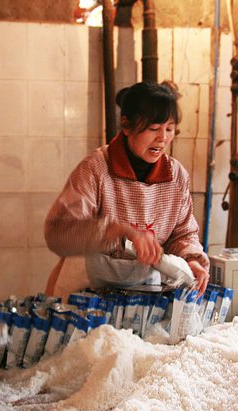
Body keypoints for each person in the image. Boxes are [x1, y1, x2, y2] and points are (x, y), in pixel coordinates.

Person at [44, 81, 210, 298]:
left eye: (169, 129)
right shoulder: (96, 168)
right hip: (86, 293)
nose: (162, 138)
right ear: (126, 125)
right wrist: (118, 231)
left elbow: (183, 233)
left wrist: (192, 260)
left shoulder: (176, 175)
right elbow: (59, 232)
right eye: (153, 129)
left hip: (143, 294)